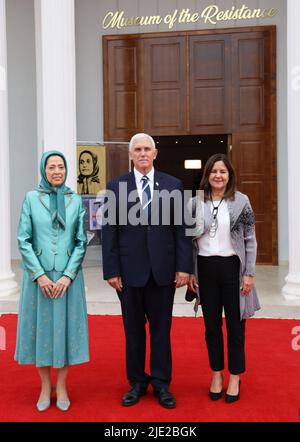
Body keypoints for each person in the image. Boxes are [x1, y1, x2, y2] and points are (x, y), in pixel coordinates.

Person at [102, 133, 193, 409]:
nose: (142, 153)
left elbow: (182, 231)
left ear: (155, 153)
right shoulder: (115, 186)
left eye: (147, 149)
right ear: (130, 155)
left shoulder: (174, 185)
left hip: (163, 272)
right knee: (133, 332)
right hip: (129, 274)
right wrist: (111, 270)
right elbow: (110, 232)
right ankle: (137, 383)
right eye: (137, 149)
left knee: (161, 331)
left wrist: (184, 267)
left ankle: (162, 384)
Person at [15, 151, 89, 412]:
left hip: (67, 279)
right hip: (40, 280)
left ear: (66, 170)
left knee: (66, 332)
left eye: (60, 167)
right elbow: (23, 239)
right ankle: (45, 386)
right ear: (43, 170)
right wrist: (40, 275)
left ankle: (63, 386)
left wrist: (68, 275)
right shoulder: (31, 199)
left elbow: (81, 240)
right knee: (41, 332)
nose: (56, 171)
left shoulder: (75, 200)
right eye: (51, 167)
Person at [188, 153, 260, 403]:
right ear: (207, 175)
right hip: (205, 269)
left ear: (229, 176)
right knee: (211, 327)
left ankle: (235, 376)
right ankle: (216, 373)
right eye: (214, 171)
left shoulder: (241, 202)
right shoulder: (196, 203)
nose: (218, 176)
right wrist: (190, 272)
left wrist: (249, 272)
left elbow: (250, 238)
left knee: (235, 326)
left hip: (233, 269)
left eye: (223, 172)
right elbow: (189, 243)